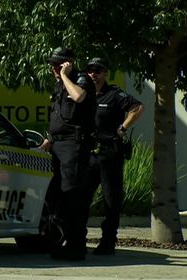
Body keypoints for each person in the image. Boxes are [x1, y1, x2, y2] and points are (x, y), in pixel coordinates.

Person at [40, 47, 97, 261]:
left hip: (75, 146)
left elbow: (79, 97)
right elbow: (60, 116)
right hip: (59, 146)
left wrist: (65, 75)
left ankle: (76, 246)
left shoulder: (80, 80)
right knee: (60, 198)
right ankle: (65, 242)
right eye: (52, 65)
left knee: (73, 197)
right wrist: (50, 139)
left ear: (68, 63)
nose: (53, 69)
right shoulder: (60, 85)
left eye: (58, 65)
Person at [85, 57, 144, 255]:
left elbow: (137, 108)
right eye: (91, 70)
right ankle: (77, 238)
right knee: (82, 197)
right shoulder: (85, 94)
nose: (94, 74)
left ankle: (108, 241)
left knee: (111, 199)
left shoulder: (114, 94)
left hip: (109, 153)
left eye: (98, 70)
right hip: (89, 154)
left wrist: (122, 128)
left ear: (105, 73)